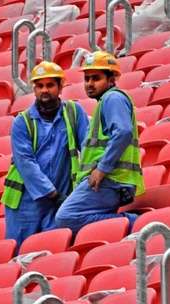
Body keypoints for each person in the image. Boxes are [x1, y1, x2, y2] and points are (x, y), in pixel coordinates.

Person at [1, 61, 89, 249]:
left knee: (54, 250)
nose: (44, 90)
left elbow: (89, 149)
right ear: (34, 89)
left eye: (50, 85)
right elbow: (26, 163)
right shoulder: (22, 122)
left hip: (60, 197)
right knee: (20, 252)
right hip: (24, 203)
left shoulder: (74, 113)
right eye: (40, 86)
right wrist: (53, 194)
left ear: (60, 87)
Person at [55, 51, 145, 235]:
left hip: (110, 178)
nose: (89, 83)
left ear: (111, 79)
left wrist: (102, 168)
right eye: (87, 79)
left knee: (66, 216)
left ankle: (133, 222)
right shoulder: (105, 102)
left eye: (96, 78)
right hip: (109, 179)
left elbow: (124, 132)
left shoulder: (113, 98)